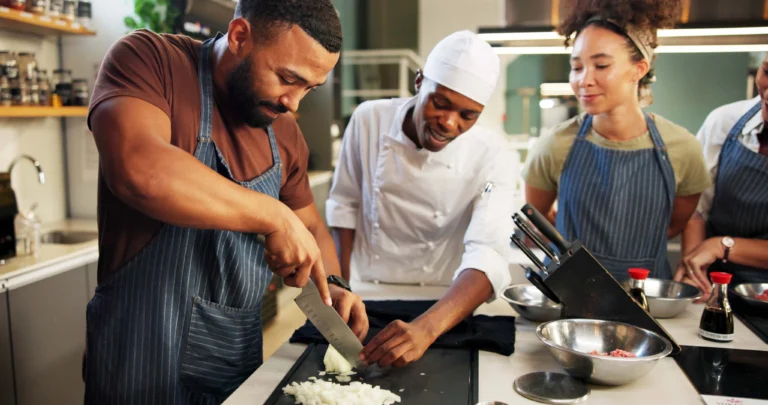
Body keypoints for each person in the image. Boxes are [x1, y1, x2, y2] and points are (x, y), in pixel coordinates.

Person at [85, 0, 368, 403]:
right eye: (288, 78)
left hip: (235, 364)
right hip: (138, 359)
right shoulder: (151, 61)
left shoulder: (284, 132)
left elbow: (310, 229)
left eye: (309, 88)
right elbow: (138, 169)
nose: (294, 102)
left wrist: (334, 287)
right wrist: (272, 216)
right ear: (239, 37)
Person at [326, 30, 515, 368]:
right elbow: (345, 206)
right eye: (439, 103)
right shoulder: (369, 119)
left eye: (467, 115)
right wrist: (341, 288)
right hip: (368, 291)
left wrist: (427, 329)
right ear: (418, 81)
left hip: (445, 301)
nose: (448, 122)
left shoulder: (494, 153)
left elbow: (489, 251)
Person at [522, 0, 711, 280]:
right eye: (577, 67)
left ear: (639, 69)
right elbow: (537, 219)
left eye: (600, 65)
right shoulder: (555, 145)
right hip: (570, 298)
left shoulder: (683, 149)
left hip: (648, 298)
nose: (584, 80)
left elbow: (672, 226)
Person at [674, 53, 768, 292]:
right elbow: (696, 207)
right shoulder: (724, 122)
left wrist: (723, 246)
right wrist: (694, 271)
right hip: (715, 283)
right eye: (767, 72)